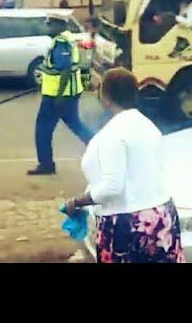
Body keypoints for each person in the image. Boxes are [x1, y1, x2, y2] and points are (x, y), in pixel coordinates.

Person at [64, 68, 185, 263]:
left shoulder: (112, 135)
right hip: (162, 216)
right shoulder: (149, 127)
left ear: (106, 98)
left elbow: (112, 187)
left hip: (125, 224)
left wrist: (77, 202)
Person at [28, 9, 93, 176]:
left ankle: (46, 164)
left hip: (60, 95)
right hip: (66, 93)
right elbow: (55, 69)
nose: (48, 26)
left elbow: (64, 70)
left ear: (59, 25)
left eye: (50, 24)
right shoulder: (65, 39)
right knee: (76, 125)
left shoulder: (61, 42)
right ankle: (100, 148)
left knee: (43, 128)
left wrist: (58, 96)